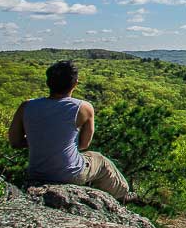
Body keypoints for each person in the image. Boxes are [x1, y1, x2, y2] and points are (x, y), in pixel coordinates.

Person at [8, 60, 133, 202]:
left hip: (36, 172)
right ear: (75, 83)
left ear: (48, 82)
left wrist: (42, 141)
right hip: (70, 174)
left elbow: (15, 142)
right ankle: (122, 196)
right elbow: (84, 145)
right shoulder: (83, 108)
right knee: (100, 160)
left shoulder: (26, 106)